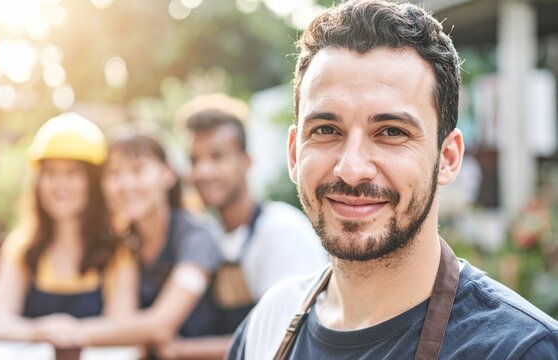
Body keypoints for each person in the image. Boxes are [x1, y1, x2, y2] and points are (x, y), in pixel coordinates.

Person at [227, 1, 558, 359]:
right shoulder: (269, 324)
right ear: (294, 153)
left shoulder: (517, 350)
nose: (351, 169)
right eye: (326, 129)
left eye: (390, 131)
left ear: (447, 158)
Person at [156, 94, 328, 359]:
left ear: (246, 161)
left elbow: (287, 337)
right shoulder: (212, 234)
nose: (203, 171)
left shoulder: (280, 230)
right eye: (194, 160)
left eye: (217, 157)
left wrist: (182, 350)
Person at [0, 113, 137, 348]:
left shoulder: (118, 250)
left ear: (93, 182)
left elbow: (123, 327)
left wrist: (72, 331)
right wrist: (39, 330)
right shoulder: (22, 246)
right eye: (51, 173)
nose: (60, 185)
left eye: (72, 173)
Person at [65, 131, 223, 357]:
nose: (126, 184)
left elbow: (160, 324)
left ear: (167, 174)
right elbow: (118, 324)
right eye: (114, 173)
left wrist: (66, 331)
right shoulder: (124, 243)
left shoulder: (196, 237)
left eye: (138, 170)